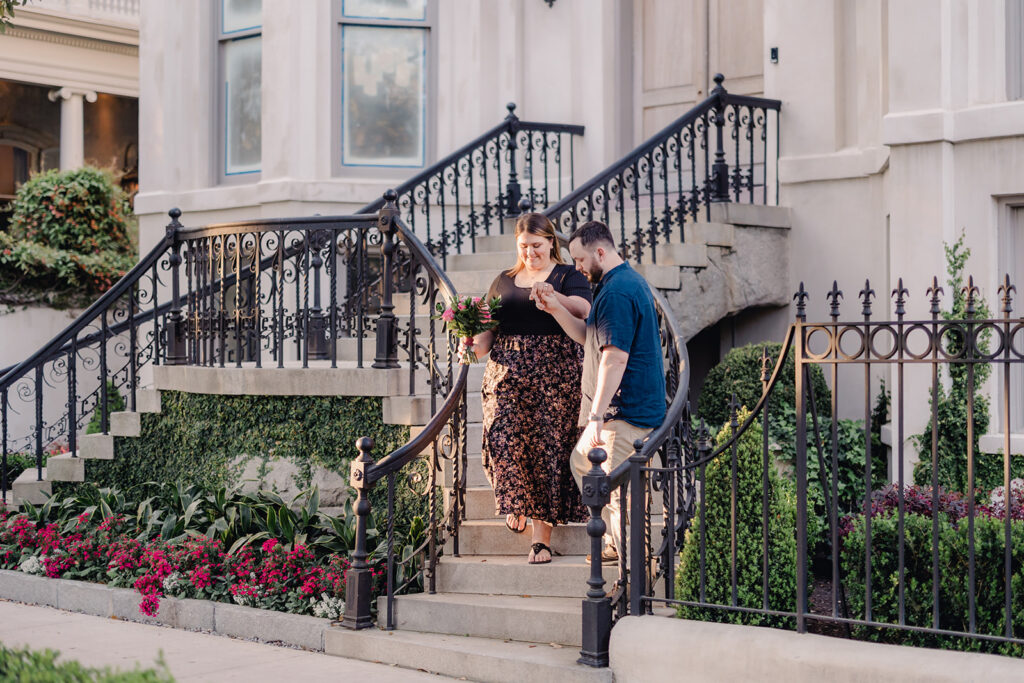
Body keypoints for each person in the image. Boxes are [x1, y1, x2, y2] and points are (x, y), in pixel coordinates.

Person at [462, 212, 593, 564]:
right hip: (506, 374)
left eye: (536, 245)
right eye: (523, 246)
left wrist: (554, 298)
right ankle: (515, 499)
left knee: (546, 451)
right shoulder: (504, 280)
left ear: (551, 242)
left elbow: (584, 310)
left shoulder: (567, 275)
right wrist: (471, 344)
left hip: (556, 375)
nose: (530, 253)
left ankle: (541, 539)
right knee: (501, 436)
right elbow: (487, 334)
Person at [536, 220, 666, 563]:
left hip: (624, 413)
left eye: (579, 260)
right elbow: (589, 337)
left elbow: (614, 359)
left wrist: (596, 416)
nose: (576, 267)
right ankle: (615, 544)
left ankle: (635, 575)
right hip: (618, 411)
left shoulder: (619, 292)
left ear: (600, 251)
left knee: (622, 496)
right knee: (582, 462)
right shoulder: (617, 285)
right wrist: (556, 308)